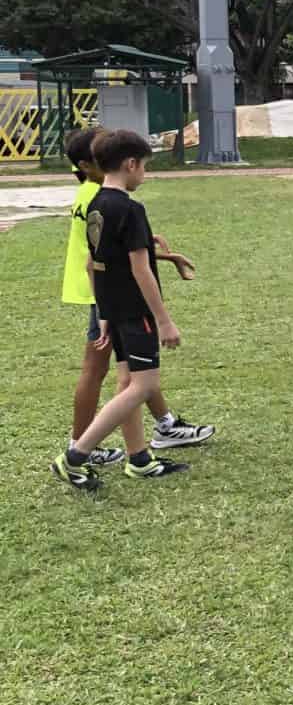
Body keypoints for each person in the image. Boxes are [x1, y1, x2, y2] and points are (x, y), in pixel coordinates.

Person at [49, 130, 193, 490]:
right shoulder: (130, 208)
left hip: (114, 309)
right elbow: (140, 269)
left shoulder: (96, 203)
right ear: (130, 164)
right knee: (144, 386)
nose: (144, 174)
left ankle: (139, 459)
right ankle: (75, 456)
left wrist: (103, 312)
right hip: (137, 311)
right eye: (144, 167)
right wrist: (164, 320)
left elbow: (92, 264)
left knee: (128, 380)